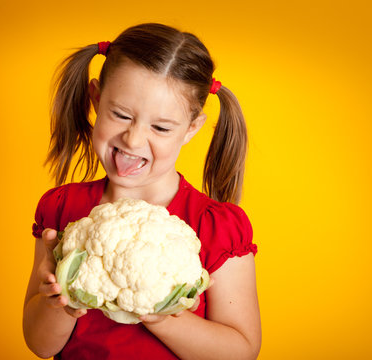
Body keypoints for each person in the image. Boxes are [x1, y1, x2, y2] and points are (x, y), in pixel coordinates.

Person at [23, 23, 261, 360]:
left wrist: (160, 315)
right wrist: (61, 302)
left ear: (192, 129)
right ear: (95, 99)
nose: (133, 139)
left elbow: (241, 352)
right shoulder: (63, 210)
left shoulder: (215, 227)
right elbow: (40, 344)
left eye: (161, 127)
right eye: (120, 115)